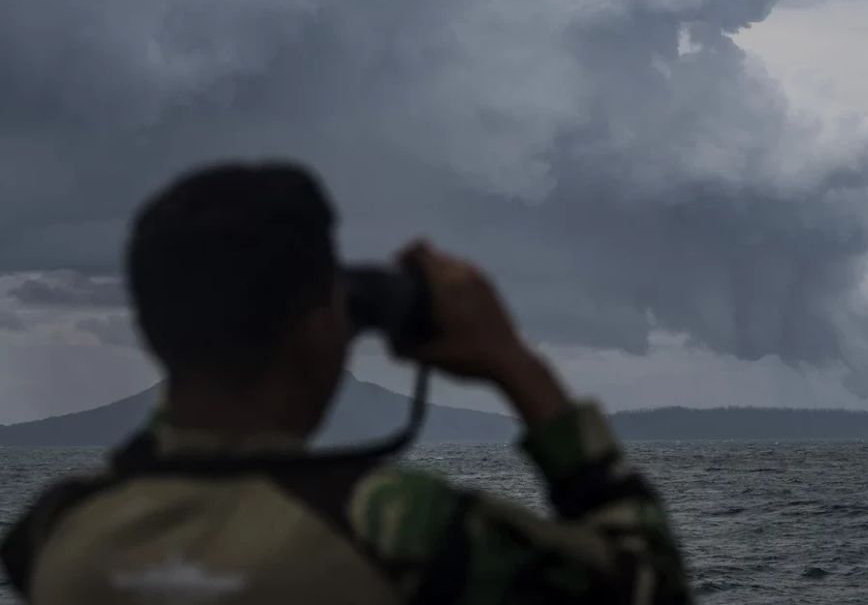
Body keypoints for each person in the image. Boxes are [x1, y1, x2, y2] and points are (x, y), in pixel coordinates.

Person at [1, 162, 693, 604]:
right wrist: (516, 362)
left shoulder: (55, 531)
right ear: (317, 334)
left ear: (154, 333)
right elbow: (648, 584)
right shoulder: (399, 528)